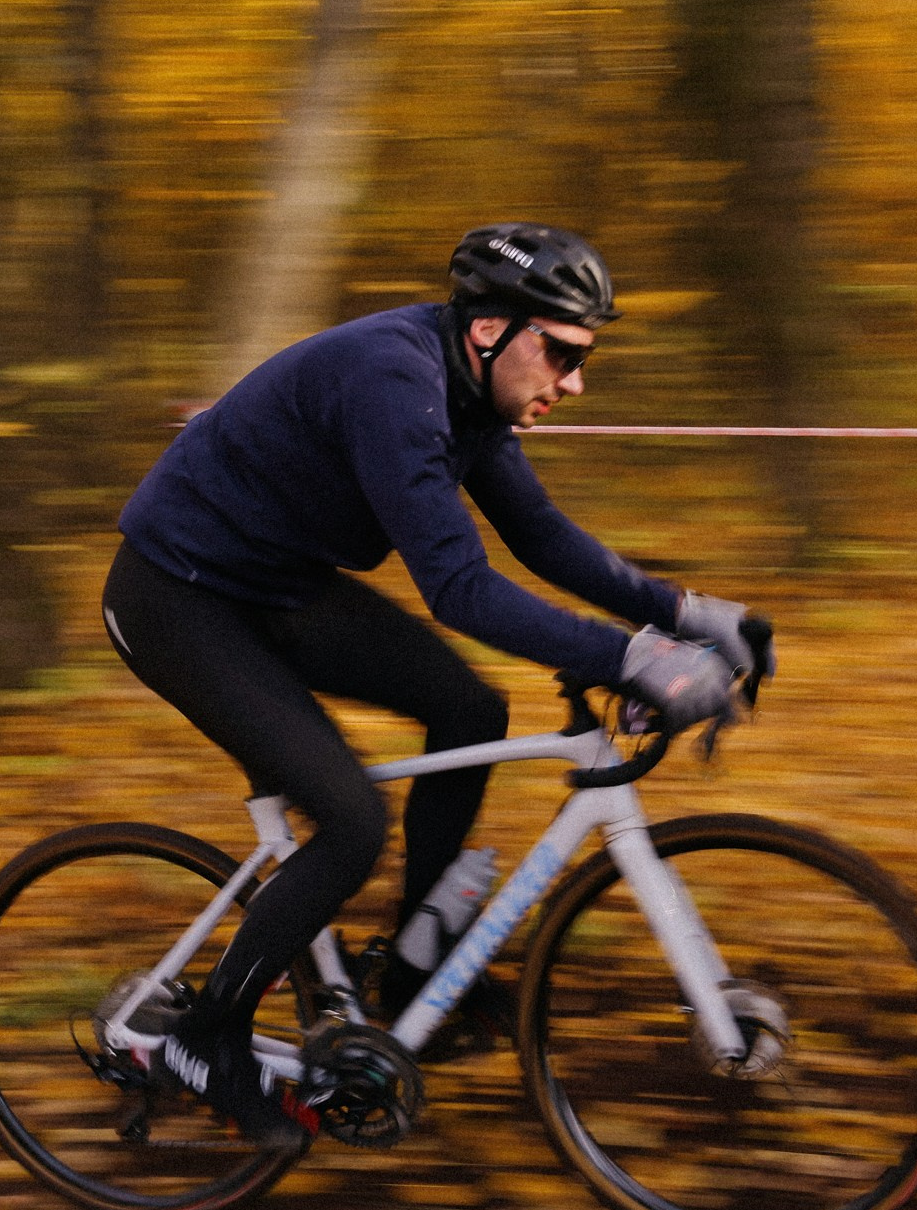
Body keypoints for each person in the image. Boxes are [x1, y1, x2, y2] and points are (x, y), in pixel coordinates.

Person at [103, 222, 772, 1147]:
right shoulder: (394, 378)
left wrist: (685, 611)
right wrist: (631, 658)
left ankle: (415, 966)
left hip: (274, 589)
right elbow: (458, 588)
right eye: (564, 352)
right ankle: (205, 1040)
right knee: (350, 824)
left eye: (584, 357)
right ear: (492, 327)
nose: (574, 383)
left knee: (468, 706)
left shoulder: (466, 392)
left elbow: (540, 537)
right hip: (176, 599)